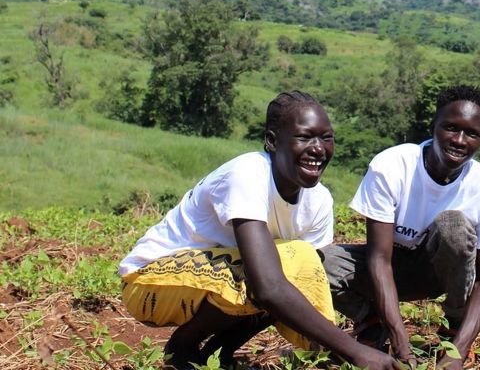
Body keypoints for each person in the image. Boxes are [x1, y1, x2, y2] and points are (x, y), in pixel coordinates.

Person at [118, 91, 397, 370]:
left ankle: (217, 353)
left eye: (326, 138)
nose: (318, 149)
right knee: (275, 271)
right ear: (272, 141)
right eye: (305, 137)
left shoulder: (320, 200)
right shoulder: (248, 173)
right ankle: (182, 348)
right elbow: (268, 288)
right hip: (149, 284)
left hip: (214, 285)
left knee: (295, 270)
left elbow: (293, 286)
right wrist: (356, 352)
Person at [320, 85, 480, 369]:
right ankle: (372, 320)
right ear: (433, 126)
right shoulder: (392, 166)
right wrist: (400, 341)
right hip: (387, 269)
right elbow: (379, 258)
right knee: (319, 264)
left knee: (453, 224)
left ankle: (453, 329)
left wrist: (458, 351)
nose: (460, 140)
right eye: (451, 128)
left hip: (440, 274)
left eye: (471, 133)